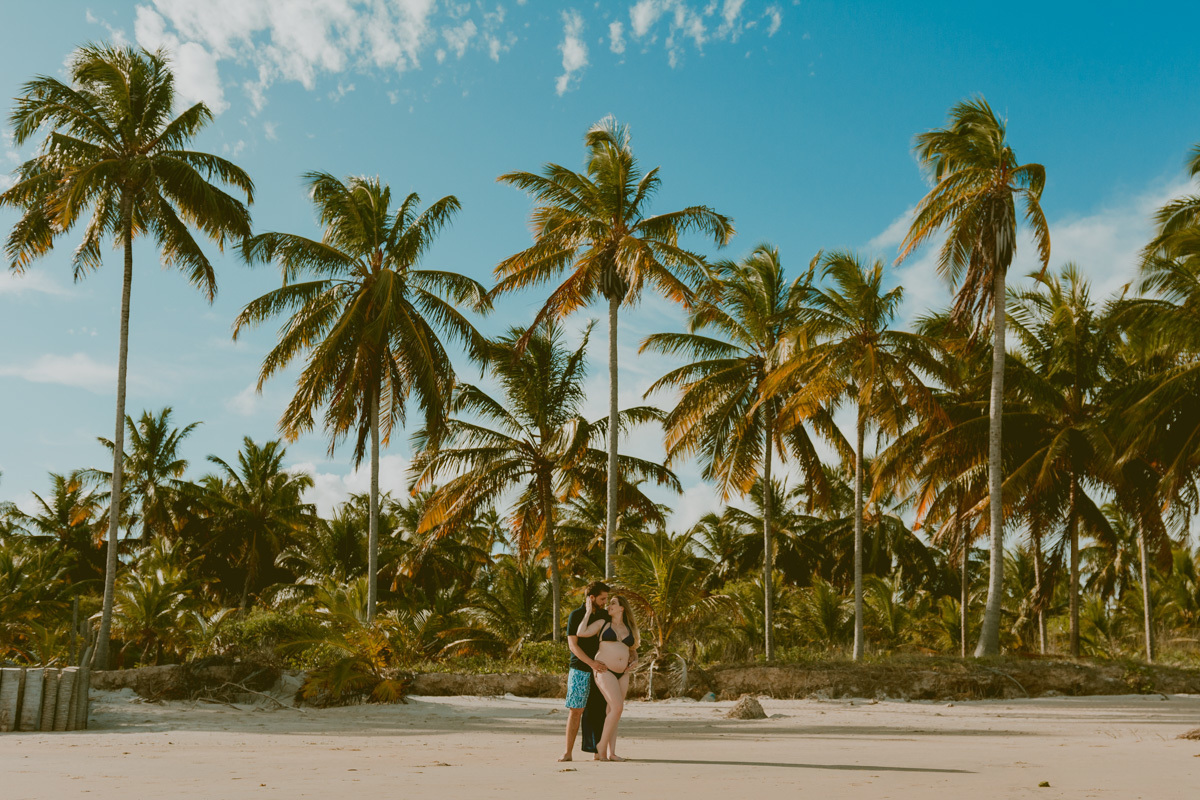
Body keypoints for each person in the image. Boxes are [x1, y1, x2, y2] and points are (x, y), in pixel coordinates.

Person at [576, 594, 639, 762]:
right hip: (605, 670)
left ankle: (611, 752)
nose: (609, 605)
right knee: (617, 708)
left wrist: (636, 659)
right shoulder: (603, 624)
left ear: (621, 608)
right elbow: (581, 632)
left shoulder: (629, 627)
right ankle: (601, 746)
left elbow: (632, 649)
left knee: (613, 711)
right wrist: (588, 611)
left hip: (623, 672)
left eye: (613, 603)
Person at [560, 580, 609, 762]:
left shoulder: (605, 615)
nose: (605, 602)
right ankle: (567, 752)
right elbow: (573, 645)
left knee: (599, 710)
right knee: (576, 710)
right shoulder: (576, 615)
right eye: (602, 598)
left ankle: (598, 752)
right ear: (592, 597)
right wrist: (591, 663)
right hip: (580, 668)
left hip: (601, 669)